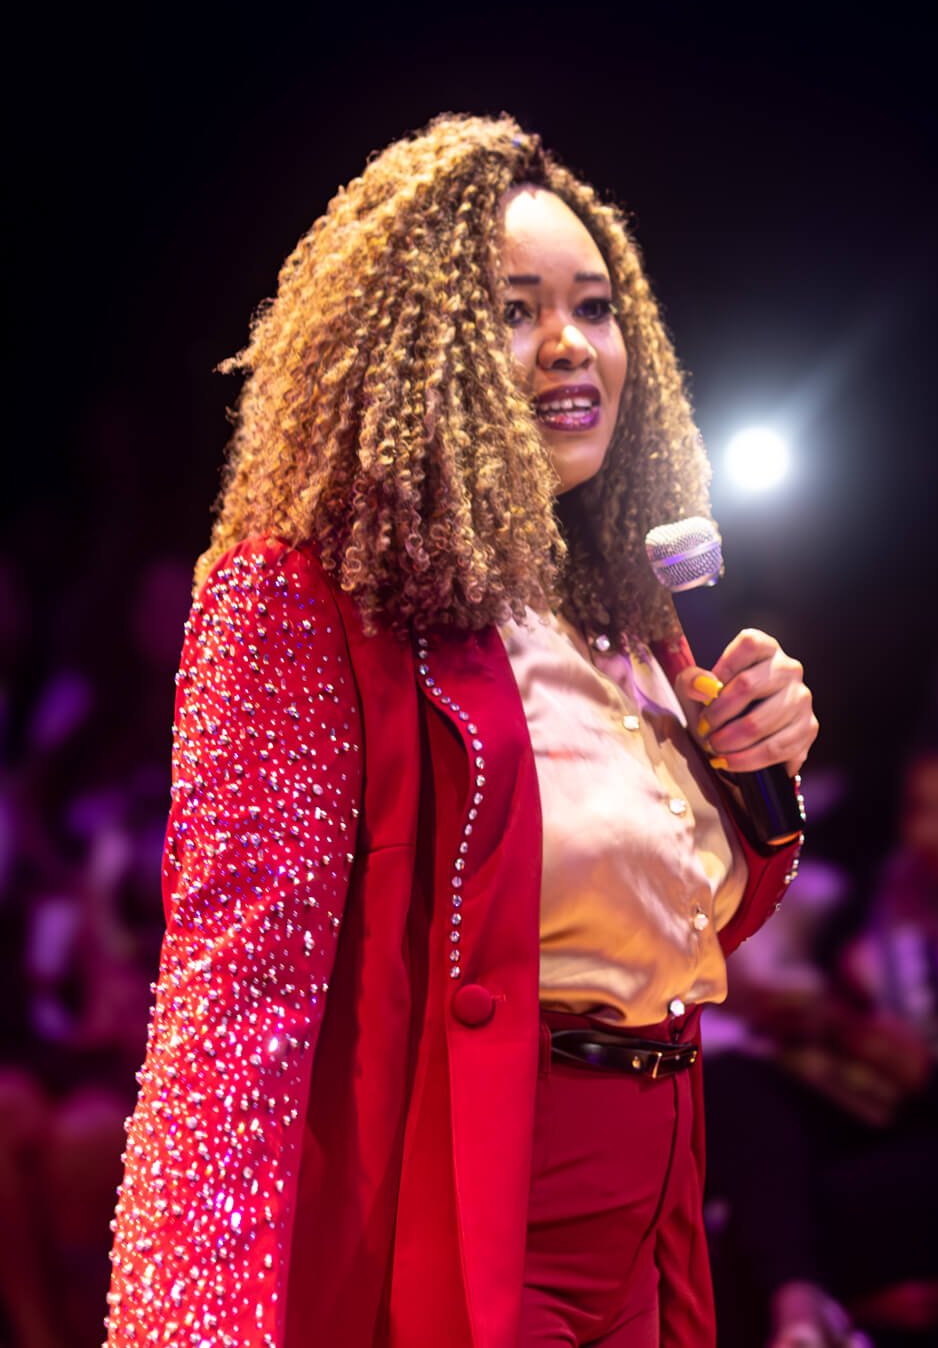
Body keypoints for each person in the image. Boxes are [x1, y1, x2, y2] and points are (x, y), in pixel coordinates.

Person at [103, 113, 820, 1348]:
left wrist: (759, 778)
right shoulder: (310, 600)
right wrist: (187, 1322)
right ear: (417, 352)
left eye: (594, 308)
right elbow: (231, 1012)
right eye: (511, 312)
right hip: (475, 1199)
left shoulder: (624, 609)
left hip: (651, 1210)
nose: (569, 344)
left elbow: (673, 927)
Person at [702, 712, 938, 1348]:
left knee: (808, 1202)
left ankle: (803, 1307)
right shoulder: (898, 894)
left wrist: (928, 1077)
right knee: (733, 1090)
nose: (931, 832)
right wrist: (818, 1027)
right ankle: (801, 1306)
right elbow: (849, 1015)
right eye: (920, 809)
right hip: (879, 1109)